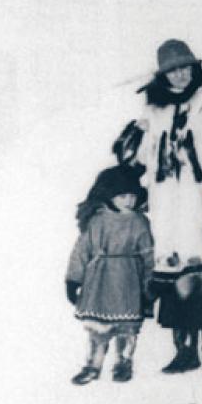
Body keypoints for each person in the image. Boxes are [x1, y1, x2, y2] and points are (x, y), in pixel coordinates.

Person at [112, 39, 202, 376]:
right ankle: (184, 351)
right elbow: (138, 159)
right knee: (174, 279)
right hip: (168, 212)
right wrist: (132, 142)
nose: (180, 75)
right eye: (172, 71)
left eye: (185, 67)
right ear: (163, 75)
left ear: (194, 68)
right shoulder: (154, 111)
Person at [65, 165, 154, 385]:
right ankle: (93, 365)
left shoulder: (140, 222)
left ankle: (123, 363)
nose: (128, 201)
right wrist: (73, 279)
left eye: (132, 196)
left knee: (127, 327)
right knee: (98, 328)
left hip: (128, 281)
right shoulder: (97, 221)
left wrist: (151, 284)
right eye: (122, 196)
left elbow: (148, 255)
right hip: (101, 281)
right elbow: (81, 250)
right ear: (110, 196)